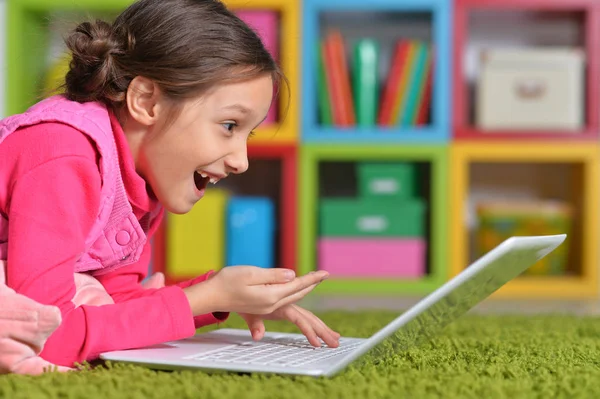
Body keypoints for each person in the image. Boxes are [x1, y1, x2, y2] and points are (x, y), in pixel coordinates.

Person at [0, 0, 339, 375]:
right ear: (146, 101)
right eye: (229, 125)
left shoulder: (136, 176)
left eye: (248, 132)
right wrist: (203, 296)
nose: (241, 161)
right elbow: (46, 334)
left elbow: (116, 304)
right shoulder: (62, 154)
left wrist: (223, 294)